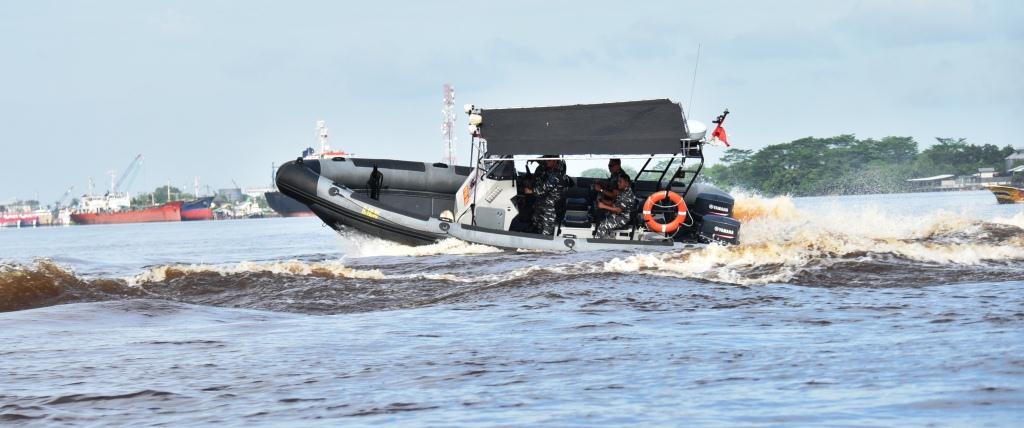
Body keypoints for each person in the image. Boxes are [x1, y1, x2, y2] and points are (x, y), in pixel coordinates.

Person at [525, 156, 569, 235]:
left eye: (548, 160)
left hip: (551, 207)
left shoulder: (556, 174)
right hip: (546, 203)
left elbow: (543, 189)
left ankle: (545, 244)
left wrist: (531, 191)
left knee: (546, 232)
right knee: (537, 222)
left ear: (555, 161)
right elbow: (545, 164)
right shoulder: (553, 168)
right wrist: (536, 160)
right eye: (545, 160)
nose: (546, 162)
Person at [595, 174, 636, 239]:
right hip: (617, 216)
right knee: (600, 218)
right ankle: (606, 240)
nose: (618, 183)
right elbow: (613, 203)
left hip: (622, 218)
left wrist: (603, 206)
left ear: (627, 183)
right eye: (618, 181)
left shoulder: (627, 195)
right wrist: (602, 201)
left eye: (620, 182)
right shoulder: (624, 192)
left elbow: (618, 210)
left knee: (603, 226)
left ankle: (596, 245)